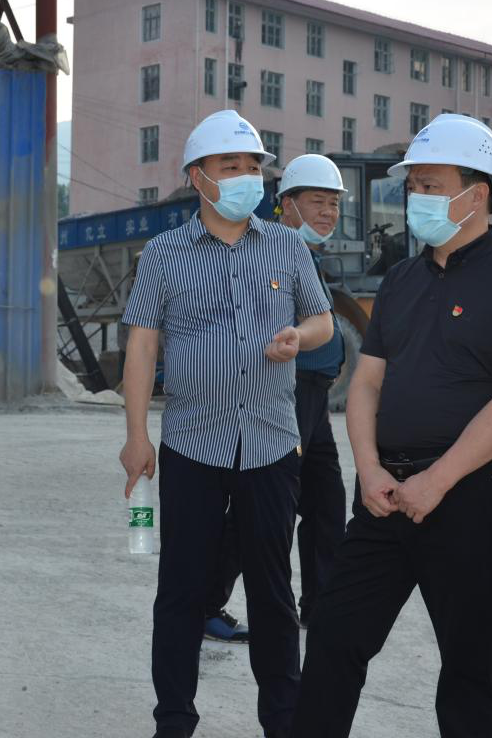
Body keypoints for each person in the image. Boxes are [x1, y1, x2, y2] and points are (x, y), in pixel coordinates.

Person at [291, 113, 492, 738]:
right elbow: (366, 383)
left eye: (432, 185)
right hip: (385, 494)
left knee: (468, 666)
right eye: (413, 185)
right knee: (334, 634)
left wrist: (436, 482)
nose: (417, 197)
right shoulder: (401, 280)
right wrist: (368, 470)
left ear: (479, 193)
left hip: (470, 494)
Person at [119, 109, 335, 738]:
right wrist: (136, 436)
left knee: (273, 591)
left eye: (253, 166)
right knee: (182, 589)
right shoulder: (164, 254)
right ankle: (174, 719)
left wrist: (299, 336)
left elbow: (321, 319)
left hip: (270, 443)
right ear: (199, 177)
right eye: (230, 165)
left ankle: (283, 720)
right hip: (193, 444)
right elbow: (142, 346)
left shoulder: (287, 247)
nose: (246, 176)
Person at [202, 154, 349, 641]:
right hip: (285, 392)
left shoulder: (307, 255)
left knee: (326, 502)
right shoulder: (270, 253)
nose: (328, 212)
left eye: (334, 204)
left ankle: (321, 607)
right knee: (266, 505)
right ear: (286, 204)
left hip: (315, 397)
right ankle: (206, 603)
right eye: (317, 202)